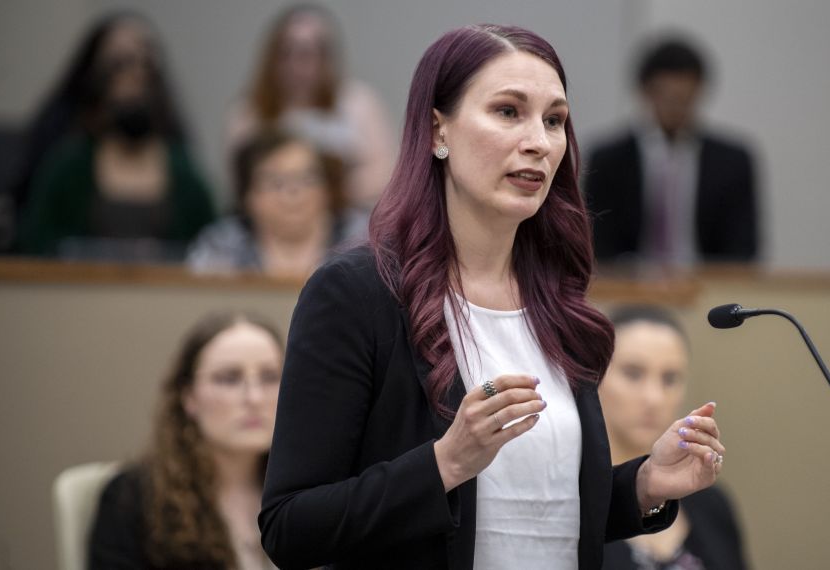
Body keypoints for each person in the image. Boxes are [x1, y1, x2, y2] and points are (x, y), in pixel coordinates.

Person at [259, 24, 727, 570]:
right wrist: (445, 464)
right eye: (509, 112)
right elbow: (289, 526)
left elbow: (541, 517)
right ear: (438, 132)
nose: (539, 141)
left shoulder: (559, 300)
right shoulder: (357, 293)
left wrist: (644, 485)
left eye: (554, 120)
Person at [89, 311, 284, 569]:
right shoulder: (133, 499)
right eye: (229, 378)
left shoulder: (314, 488)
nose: (255, 397)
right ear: (189, 397)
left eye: (270, 377)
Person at [16, 11, 214, 261]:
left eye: (145, 64)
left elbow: (208, 252)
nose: (133, 76)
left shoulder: (185, 175)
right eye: (119, 64)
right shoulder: (68, 169)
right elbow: (37, 245)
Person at [584, 36, 759, 267]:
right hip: (629, 288)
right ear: (645, 92)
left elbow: (743, 248)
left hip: (708, 288)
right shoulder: (608, 160)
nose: (676, 108)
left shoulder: (733, 161)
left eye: (685, 98)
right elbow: (597, 243)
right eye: (668, 97)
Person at [599, 306, 748, 570]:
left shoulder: (711, 505)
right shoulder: (578, 502)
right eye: (633, 373)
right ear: (594, 377)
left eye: (670, 379)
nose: (653, 398)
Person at [227, 3, 395, 211]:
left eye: (309, 53)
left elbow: (386, 173)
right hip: (271, 227)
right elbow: (240, 185)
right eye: (287, 52)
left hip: (347, 222)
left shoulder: (358, 102)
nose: (297, 64)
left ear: (328, 58)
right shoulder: (249, 112)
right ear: (272, 57)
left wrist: (325, 193)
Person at [187, 129, 358, 278]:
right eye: (276, 183)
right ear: (248, 196)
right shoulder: (221, 245)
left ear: (326, 189)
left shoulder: (361, 240)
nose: (293, 193)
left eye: (307, 179)